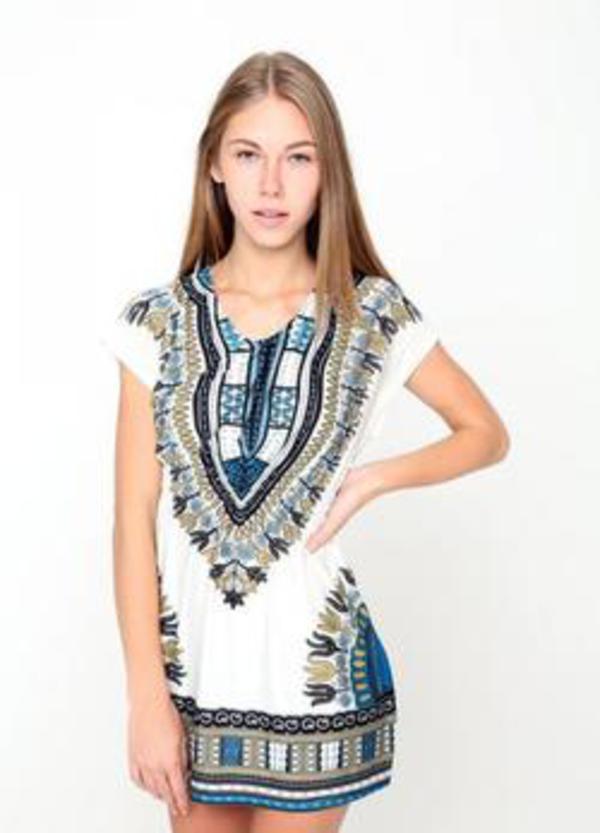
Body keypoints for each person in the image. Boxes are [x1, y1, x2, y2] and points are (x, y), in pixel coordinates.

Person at [100, 50, 510, 833]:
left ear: (328, 174)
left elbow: (486, 433)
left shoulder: (371, 312)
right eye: (248, 155)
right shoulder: (153, 323)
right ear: (214, 165)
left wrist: (374, 478)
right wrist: (145, 696)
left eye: (298, 158)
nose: (271, 185)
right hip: (191, 683)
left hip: (313, 679)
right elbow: (131, 521)